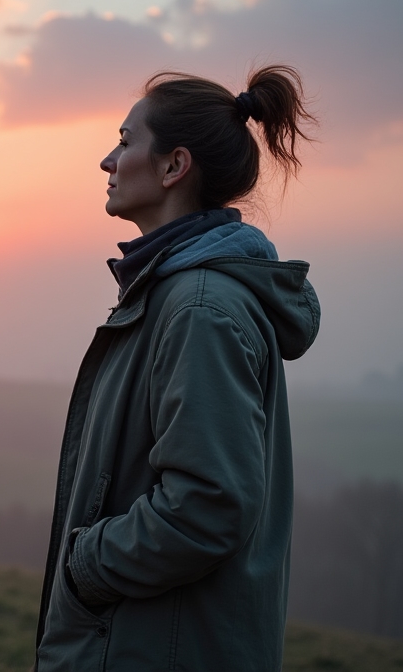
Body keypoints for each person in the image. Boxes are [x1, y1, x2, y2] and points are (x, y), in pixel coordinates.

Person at [34, 65, 321, 671]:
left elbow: (208, 505)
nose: (107, 162)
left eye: (124, 141)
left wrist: (87, 564)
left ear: (173, 167)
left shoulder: (198, 310)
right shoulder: (173, 295)